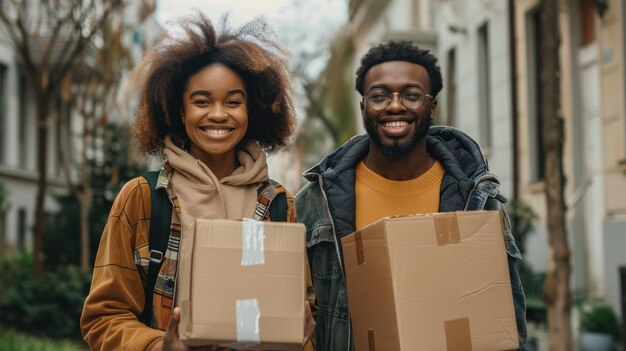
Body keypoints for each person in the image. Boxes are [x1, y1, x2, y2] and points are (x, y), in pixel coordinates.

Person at [80, 13, 314, 351]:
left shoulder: (277, 202)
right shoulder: (144, 199)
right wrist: (161, 346)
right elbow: (103, 318)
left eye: (233, 102)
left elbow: (307, 314)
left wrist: (300, 337)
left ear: (253, 111)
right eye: (201, 101)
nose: (218, 114)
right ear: (179, 111)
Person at [295, 40, 527, 350]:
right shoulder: (315, 202)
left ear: (431, 107)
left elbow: (508, 324)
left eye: (411, 95)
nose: (394, 106)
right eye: (379, 96)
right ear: (363, 107)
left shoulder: (479, 203)